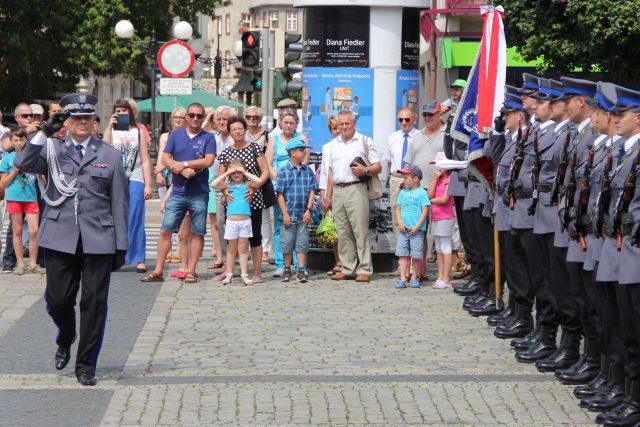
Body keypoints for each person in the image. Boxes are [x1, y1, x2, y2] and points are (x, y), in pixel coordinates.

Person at [14, 93, 128, 386]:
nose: (81, 122)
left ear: (94, 121)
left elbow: (119, 203)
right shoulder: (51, 148)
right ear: (66, 121)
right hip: (59, 237)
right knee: (58, 299)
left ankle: (86, 364)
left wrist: (121, 245)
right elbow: (22, 161)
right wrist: (42, 132)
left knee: (94, 303)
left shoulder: (109, 155)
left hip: (99, 239)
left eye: (86, 118)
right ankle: (66, 334)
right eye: (75, 118)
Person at [141, 103, 216, 284]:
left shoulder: (208, 137)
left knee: (197, 233)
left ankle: (191, 270)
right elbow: (165, 158)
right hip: (178, 191)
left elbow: (208, 161)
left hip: (199, 191)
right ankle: (158, 270)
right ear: (187, 117)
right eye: (192, 115)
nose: (195, 119)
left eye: (199, 115)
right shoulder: (175, 135)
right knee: (165, 230)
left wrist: (184, 164)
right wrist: (179, 168)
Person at [325, 109, 381, 283]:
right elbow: (330, 172)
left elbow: (378, 166)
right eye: (340, 124)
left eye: (346, 123)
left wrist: (365, 170)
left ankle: (364, 269)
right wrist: (328, 195)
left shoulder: (364, 141)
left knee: (360, 230)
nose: (343, 127)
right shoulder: (332, 145)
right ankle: (348, 267)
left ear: (354, 123)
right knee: (342, 232)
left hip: (356, 188)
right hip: (338, 190)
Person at [216, 115, 270, 283]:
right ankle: (228, 271)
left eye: (240, 128)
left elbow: (265, 171)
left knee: (254, 236)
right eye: (234, 129)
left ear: (245, 130)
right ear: (230, 132)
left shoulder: (255, 148)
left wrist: (255, 186)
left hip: (253, 199)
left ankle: (257, 272)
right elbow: (221, 177)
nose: (237, 131)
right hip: (233, 200)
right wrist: (225, 192)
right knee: (231, 237)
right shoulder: (226, 152)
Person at [103, 98, 153, 273]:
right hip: (115, 178)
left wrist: (148, 185)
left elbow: (145, 160)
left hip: (136, 176)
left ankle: (139, 257)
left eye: (124, 111)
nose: (121, 114)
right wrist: (110, 126)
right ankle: (118, 256)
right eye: (118, 111)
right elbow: (105, 148)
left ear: (130, 113)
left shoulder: (137, 131)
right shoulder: (111, 131)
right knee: (116, 218)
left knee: (136, 217)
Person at [266, 108, 309, 277]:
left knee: (300, 226)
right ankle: (281, 263)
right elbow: (268, 163)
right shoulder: (273, 139)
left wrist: (291, 178)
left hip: (298, 187)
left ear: (296, 124)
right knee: (281, 224)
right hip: (280, 186)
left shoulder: (302, 138)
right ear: (280, 123)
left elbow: (304, 161)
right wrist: (281, 177)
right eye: (286, 122)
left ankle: (300, 265)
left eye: (292, 123)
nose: (288, 125)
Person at [2, 103, 39, 273]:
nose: (18, 143)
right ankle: (19, 264)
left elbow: (42, 173)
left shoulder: (31, 155)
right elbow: (3, 183)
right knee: (16, 229)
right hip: (15, 196)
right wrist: (15, 170)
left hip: (31, 197)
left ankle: (33, 262)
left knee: (34, 230)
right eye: (15, 140)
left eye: (21, 140)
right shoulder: (8, 158)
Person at [212, 159, 262, 285]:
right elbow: (213, 184)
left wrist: (244, 172)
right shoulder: (228, 186)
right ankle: (228, 274)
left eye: (238, 172)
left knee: (243, 248)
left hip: (245, 221)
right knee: (231, 248)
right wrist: (226, 172)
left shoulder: (248, 185)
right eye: (233, 172)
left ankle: (244, 275)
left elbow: (259, 181)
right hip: (231, 222)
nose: (236, 174)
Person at [274, 138, 317, 283]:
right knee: (287, 243)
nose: (305, 152)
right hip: (288, 215)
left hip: (303, 215)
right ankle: (287, 269)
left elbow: (312, 191)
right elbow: (279, 194)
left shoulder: (308, 171)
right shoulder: (283, 172)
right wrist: (285, 214)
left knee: (302, 243)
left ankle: (301, 269)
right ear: (293, 152)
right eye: (302, 150)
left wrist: (309, 209)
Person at [393, 164, 430, 289]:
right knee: (402, 254)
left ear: (415, 178)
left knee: (416, 255)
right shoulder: (403, 193)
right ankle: (403, 278)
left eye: (406, 177)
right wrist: (400, 223)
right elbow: (398, 209)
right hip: (404, 230)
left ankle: (415, 276)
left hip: (417, 230)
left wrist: (418, 226)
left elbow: (425, 210)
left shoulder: (422, 193)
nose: (403, 180)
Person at [244, 106, 273, 264]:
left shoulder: (267, 136)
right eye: (249, 116)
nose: (252, 119)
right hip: (243, 180)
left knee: (265, 217)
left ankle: (265, 250)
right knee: (246, 214)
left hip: (261, 178)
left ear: (260, 119)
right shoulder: (242, 134)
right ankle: (249, 248)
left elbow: (268, 160)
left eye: (255, 117)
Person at [384, 107, 418, 234]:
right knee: (396, 211)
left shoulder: (419, 136)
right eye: (400, 119)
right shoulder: (392, 138)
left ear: (414, 120)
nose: (403, 122)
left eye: (407, 119)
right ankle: (400, 251)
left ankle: (414, 251)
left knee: (414, 211)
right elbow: (389, 161)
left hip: (414, 179)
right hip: (397, 178)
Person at [319, 116, 342, 276]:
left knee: (345, 229)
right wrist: (323, 192)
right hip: (330, 191)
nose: (338, 131)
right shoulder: (327, 147)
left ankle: (347, 262)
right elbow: (325, 171)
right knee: (333, 230)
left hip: (344, 189)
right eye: (334, 128)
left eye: (339, 127)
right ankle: (338, 261)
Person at [428, 168, 455, 289]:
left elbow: (444, 199)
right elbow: (430, 193)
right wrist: (434, 178)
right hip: (435, 216)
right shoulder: (438, 180)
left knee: (445, 247)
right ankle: (441, 276)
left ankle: (446, 278)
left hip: (445, 217)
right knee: (438, 248)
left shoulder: (450, 180)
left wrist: (430, 201)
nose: (438, 168)